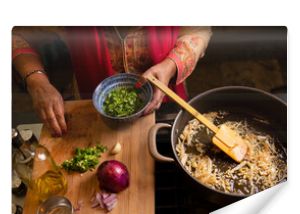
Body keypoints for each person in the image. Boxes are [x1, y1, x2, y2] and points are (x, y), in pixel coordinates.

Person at [12, 26, 212, 137]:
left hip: (166, 100)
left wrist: (170, 66)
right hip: (93, 106)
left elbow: (199, 28)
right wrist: (37, 81)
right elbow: (15, 32)